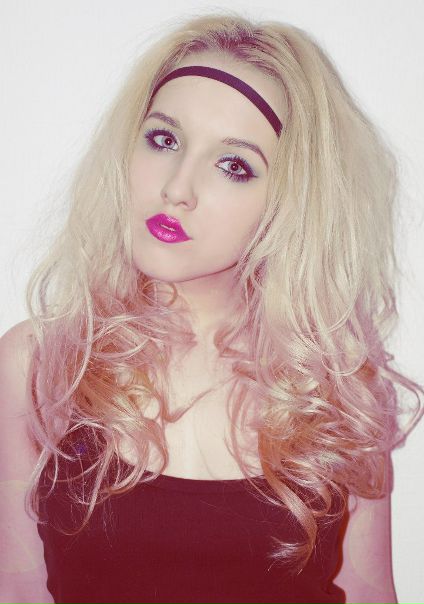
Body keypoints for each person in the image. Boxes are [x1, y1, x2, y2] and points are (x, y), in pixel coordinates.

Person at [0, 11, 422, 604]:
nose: (177, 187)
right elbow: (18, 588)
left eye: (234, 165)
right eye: (164, 139)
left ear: (291, 201)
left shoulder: (338, 386)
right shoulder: (42, 364)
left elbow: (368, 593)